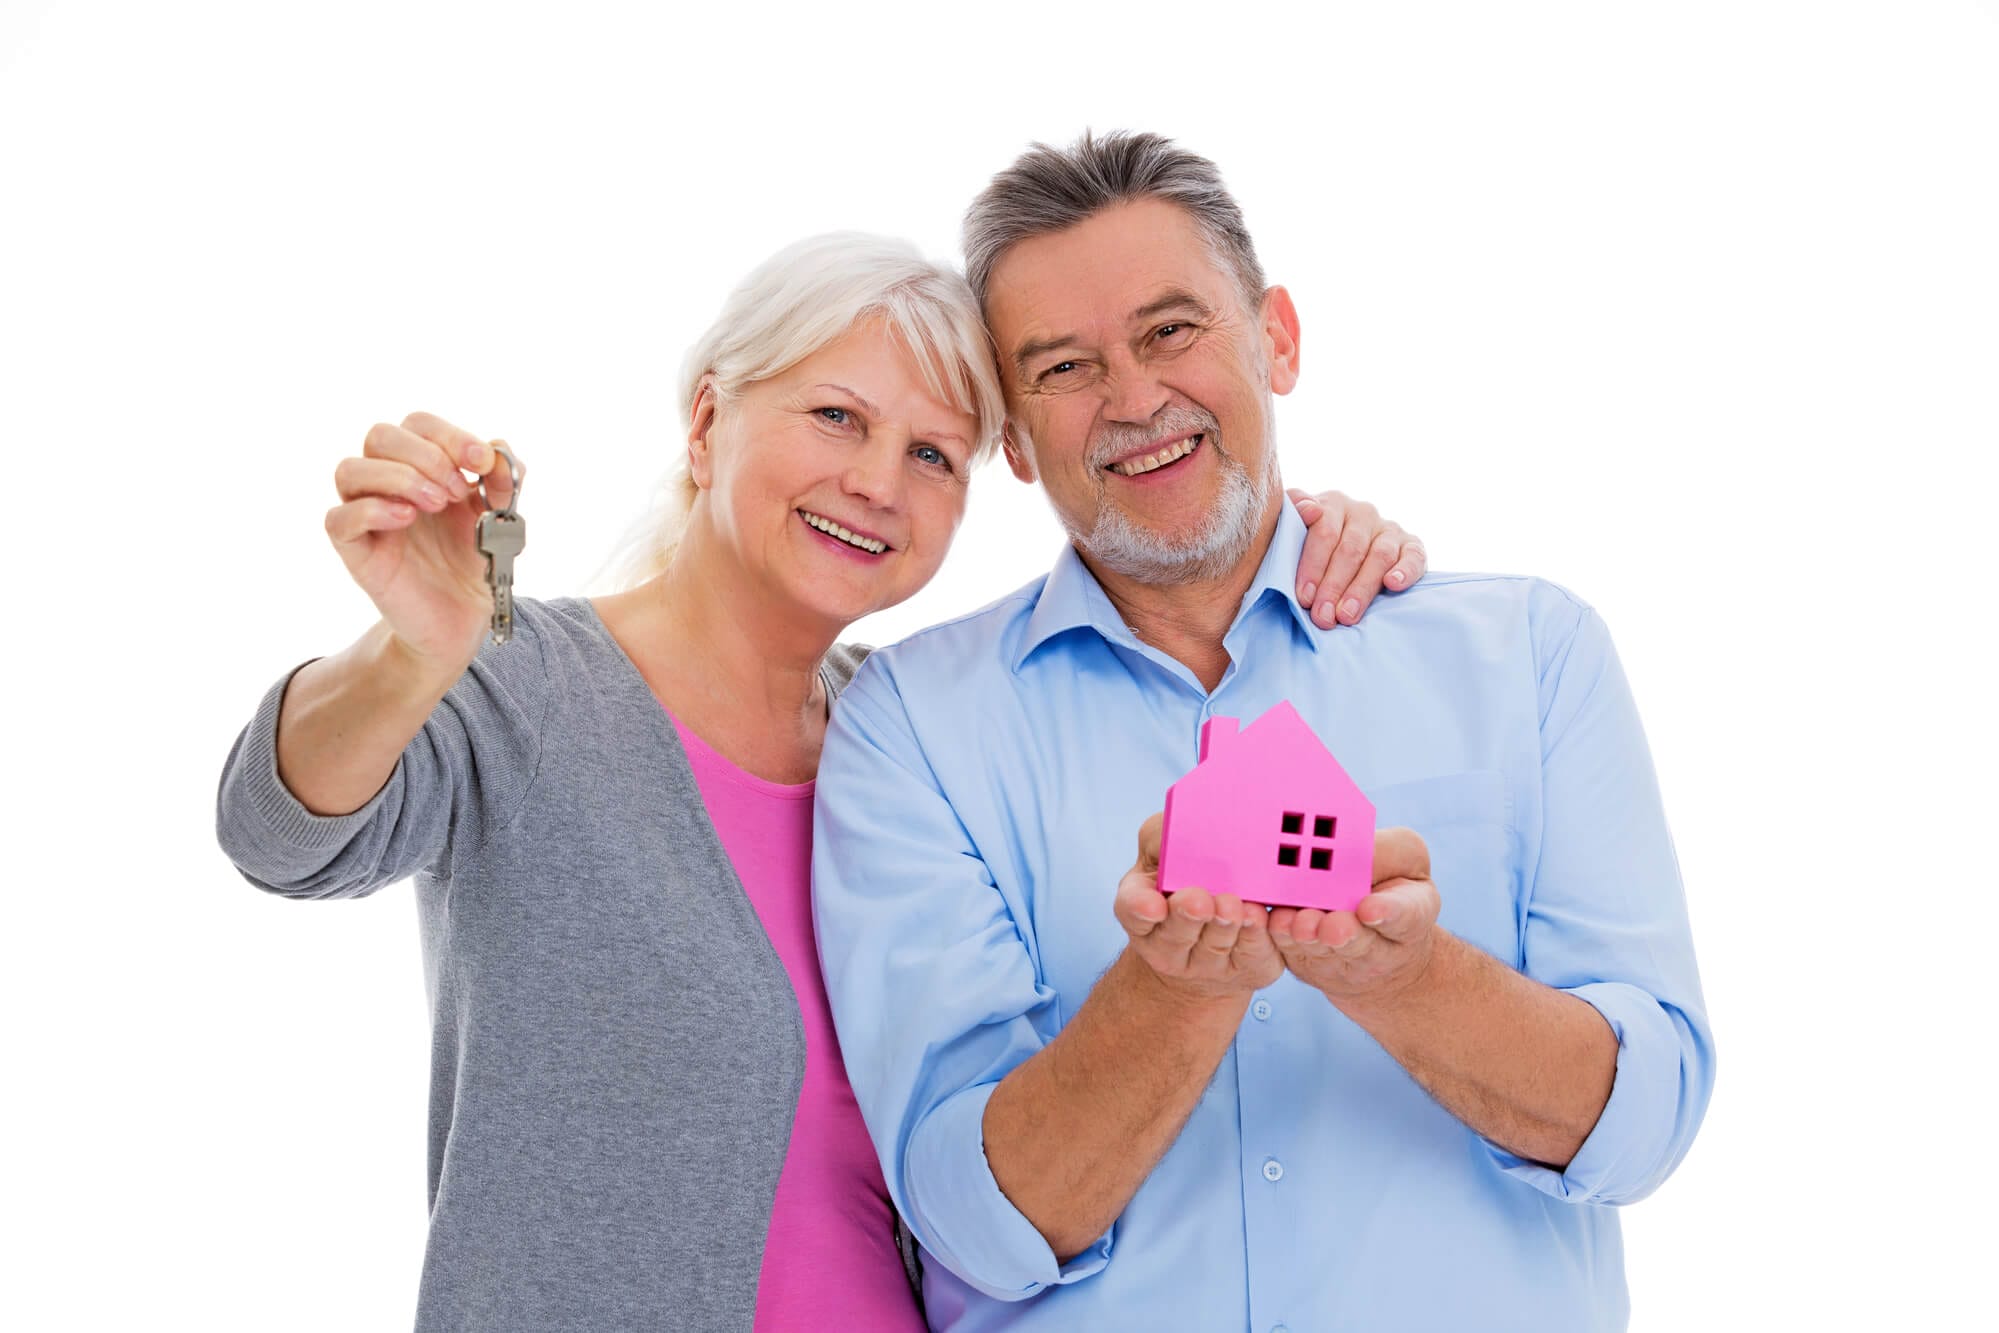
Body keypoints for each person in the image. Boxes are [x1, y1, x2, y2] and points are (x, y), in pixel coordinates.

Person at [214, 231, 1427, 1331]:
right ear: (704, 423)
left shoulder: (911, 734)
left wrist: (1297, 538)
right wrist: (410, 655)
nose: (877, 482)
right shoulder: (529, 685)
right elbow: (284, 835)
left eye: (932, 454)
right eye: (836, 418)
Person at [812, 134, 1716, 1333]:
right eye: (1066, 366)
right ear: (1015, 440)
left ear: (1276, 337)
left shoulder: (1528, 654)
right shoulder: (910, 726)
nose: (1134, 400)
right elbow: (966, 1216)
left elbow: (1644, 1119)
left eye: (1171, 330)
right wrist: (1173, 996)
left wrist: (1405, 978)